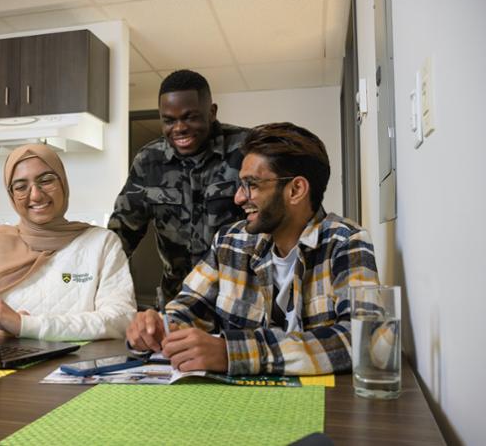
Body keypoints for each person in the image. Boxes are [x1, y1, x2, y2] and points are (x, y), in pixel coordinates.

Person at [126, 122, 379, 376]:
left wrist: (231, 353)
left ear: (296, 190)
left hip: (327, 405)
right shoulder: (229, 242)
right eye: (240, 184)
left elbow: (364, 339)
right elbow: (186, 310)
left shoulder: (346, 242)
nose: (238, 198)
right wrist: (154, 328)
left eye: (252, 185)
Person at [0, 144, 136, 341]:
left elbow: (120, 320)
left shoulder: (101, 243)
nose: (36, 195)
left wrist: (24, 325)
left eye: (46, 181)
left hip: (78, 366)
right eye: (21, 187)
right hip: (3, 366)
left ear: (63, 182)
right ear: (12, 195)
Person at [108, 69, 248, 302]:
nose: (179, 128)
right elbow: (122, 232)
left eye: (190, 117)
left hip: (238, 298)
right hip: (178, 300)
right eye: (169, 120)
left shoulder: (246, 150)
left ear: (212, 112)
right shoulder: (149, 160)